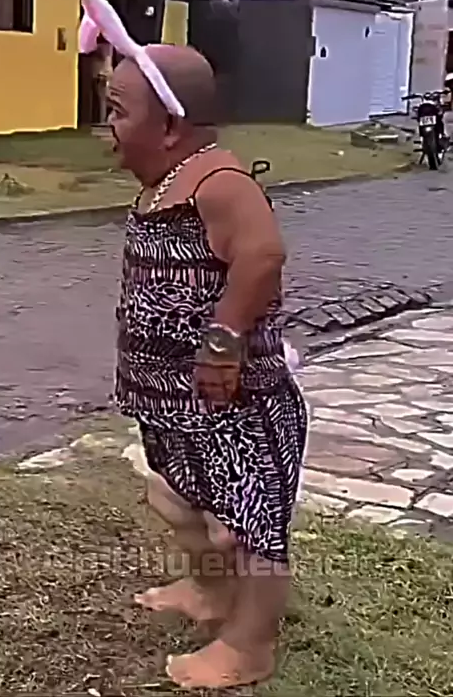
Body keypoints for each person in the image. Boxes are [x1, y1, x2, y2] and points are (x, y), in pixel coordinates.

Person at [109, 43, 308, 690]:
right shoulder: (165, 185)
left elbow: (262, 254)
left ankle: (249, 645)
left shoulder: (219, 182)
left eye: (117, 111)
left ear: (170, 124)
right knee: (173, 497)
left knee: (250, 530)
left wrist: (223, 343)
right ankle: (209, 592)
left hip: (235, 403)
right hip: (174, 404)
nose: (106, 125)